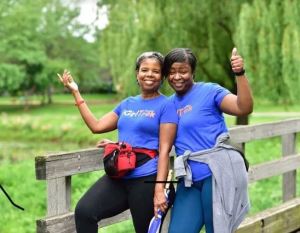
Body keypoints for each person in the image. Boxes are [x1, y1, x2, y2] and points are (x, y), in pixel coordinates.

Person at [57, 51, 178, 233]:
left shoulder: (167, 105)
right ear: (137, 74)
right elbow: (96, 126)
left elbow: (164, 150)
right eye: (145, 70)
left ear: (162, 76)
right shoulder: (127, 103)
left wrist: (159, 190)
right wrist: (76, 92)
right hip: (120, 175)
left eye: (156, 71)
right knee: (84, 212)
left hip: (147, 179)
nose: (149, 75)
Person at [164, 48, 253, 233]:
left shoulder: (210, 91)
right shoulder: (168, 104)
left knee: (217, 230)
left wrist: (240, 73)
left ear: (193, 72)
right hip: (188, 180)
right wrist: (118, 143)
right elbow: (152, 134)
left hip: (216, 175)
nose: (177, 77)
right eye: (172, 72)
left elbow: (243, 107)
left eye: (183, 71)